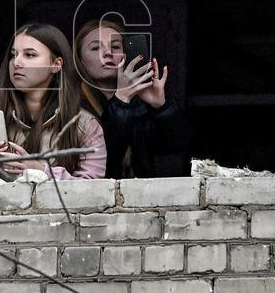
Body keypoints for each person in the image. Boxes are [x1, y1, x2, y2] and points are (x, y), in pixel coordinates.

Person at [0, 23, 107, 184]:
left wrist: (41, 171)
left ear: (56, 65)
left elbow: (94, 188)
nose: (16, 63)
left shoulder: (84, 124)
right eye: (13, 55)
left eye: (30, 55)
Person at [74, 19, 190, 178]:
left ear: (125, 55)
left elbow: (175, 146)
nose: (108, 53)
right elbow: (104, 159)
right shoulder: (71, 106)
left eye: (115, 46)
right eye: (95, 48)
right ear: (81, 61)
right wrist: (121, 99)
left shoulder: (139, 105)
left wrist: (161, 107)